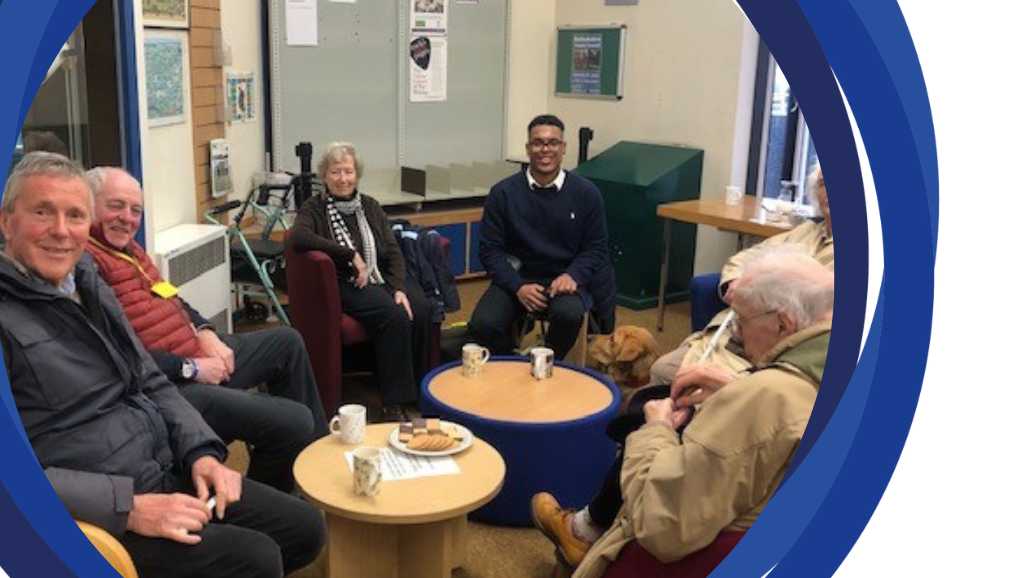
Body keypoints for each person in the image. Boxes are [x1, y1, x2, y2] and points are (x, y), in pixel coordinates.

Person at [0, 152, 324, 578]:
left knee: (305, 529)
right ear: (7, 222)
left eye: (75, 215)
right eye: (43, 212)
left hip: (161, 459)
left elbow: (148, 377)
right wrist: (128, 508)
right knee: (256, 557)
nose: (61, 230)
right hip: (102, 506)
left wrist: (202, 453)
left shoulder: (88, 280)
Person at [531, 248, 833, 576]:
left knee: (644, 416)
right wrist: (736, 385)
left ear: (783, 323)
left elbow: (659, 524)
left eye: (742, 321)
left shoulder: (765, 398)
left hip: (691, 555)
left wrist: (655, 430)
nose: (736, 335)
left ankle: (582, 532)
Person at [83, 166, 328, 494]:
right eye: (116, 206)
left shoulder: (131, 251)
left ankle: (318, 461)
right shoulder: (87, 264)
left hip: (194, 352)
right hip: (170, 387)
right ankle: (263, 502)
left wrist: (206, 332)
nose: (127, 217)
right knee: (292, 420)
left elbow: (173, 299)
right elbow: (121, 355)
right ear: (89, 205)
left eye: (136, 210)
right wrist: (194, 368)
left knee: (286, 341)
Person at [288, 141, 431, 422]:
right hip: (345, 282)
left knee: (422, 307)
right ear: (325, 176)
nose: (343, 179)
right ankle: (395, 402)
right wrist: (349, 254)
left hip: (379, 275)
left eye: (348, 172)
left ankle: (421, 391)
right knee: (394, 315)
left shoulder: (370, 206)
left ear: (357, 174)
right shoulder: (314, 208)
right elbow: (298, 237)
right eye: (336, 172)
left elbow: (391, 250)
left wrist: (399, 287)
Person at [649, 165, 834, 383]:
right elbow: (743, 259)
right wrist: (737, 283)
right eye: (823, 183)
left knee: (687, 384)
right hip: (731, 333)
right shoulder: (804, 232)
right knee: (662, 369)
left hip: (777, 351)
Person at [468, 114, 615, 359]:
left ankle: (545, 362)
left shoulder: (586, 193)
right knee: (483, 324)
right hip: (517, 277)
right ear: (528, 149)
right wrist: (517, 286)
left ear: (563, 148)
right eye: (538, 143)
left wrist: (573, 275)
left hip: (565, 280)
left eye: (552, 143)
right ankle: (515, 362)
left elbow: (596, 248)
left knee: (568, 315)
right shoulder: (503, 193)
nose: (545, 149)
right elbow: (489, 251)